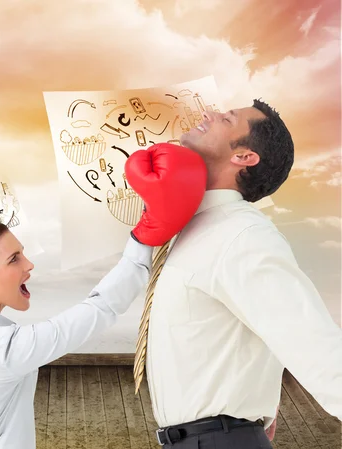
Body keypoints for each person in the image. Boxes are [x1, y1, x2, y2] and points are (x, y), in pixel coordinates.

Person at [0, 144, 208, 448]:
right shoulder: (0, 349)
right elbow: (100, 308)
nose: (29, 264)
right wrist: (146, 234)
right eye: (14, 259)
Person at [145, 99, 342, 448]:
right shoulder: (195, 229)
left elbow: (314, 343)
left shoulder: (243, 236)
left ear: (245, 156)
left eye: (226, 118)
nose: (207, 113)